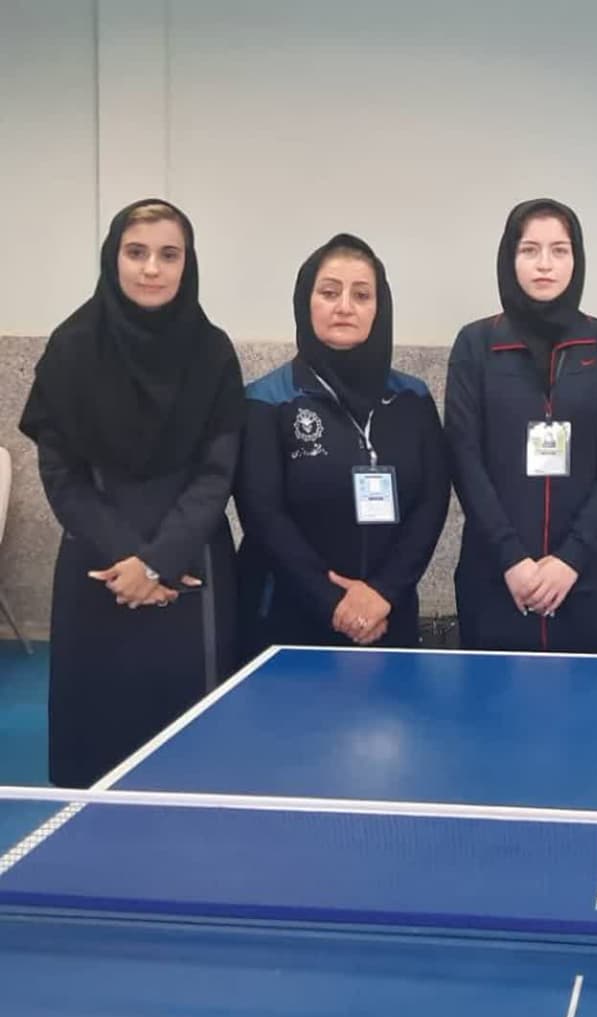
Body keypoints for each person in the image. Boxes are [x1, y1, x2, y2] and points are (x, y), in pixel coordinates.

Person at [19, 198, 244, 787]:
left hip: (189, 563)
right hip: (100, 565)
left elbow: (217, 471)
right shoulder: (71, 348)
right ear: (112, 258)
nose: (151, 268)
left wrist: (159, 561)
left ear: (187, 264)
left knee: (192, 756)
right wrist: (129, 560)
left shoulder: (212, 352)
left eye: (169, 255)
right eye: (136, 252)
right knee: (97, 748)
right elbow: (61, 474)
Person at [235, 234, 449, 655]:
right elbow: (263, 515)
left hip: (390, 615)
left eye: (362, 295)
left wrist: (384, 593)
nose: (345, 307)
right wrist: (335, 603)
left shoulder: (413, 398)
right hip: (288, 619)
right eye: (330, 293)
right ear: (305, 302)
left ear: (379, 308)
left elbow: (432, 501)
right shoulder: (266, 400)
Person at [445, 199, 597, 652]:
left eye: (559, 250)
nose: (545, 264)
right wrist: (511, 558)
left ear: (577, 259)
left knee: (585, 695)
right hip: (496, 574)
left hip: (583, 576)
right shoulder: (476, 344)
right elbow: (464, 457)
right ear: (509, 258)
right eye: (529, 250)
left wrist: (570, 559)